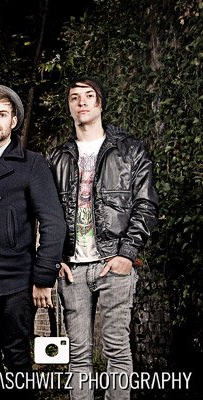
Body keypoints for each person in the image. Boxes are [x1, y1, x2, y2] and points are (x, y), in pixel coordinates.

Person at [48, 77, 159, 400]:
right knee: (78, 356)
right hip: (72, 268)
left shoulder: (130, 151)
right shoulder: (57, 157)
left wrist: (127, 253)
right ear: (69, 107)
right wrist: (54, 259)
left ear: (100, 104)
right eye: (74, 97)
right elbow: (47, 213)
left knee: (117, 350)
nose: (81, 102)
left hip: (114, 263)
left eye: (88, 96)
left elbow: (146, 204)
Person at [0, 84, 66, 399]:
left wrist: (43, 277)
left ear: (14, 121)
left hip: (15, 280)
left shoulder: (31, 163)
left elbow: (53, 222)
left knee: (17, 359)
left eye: (2, 114)